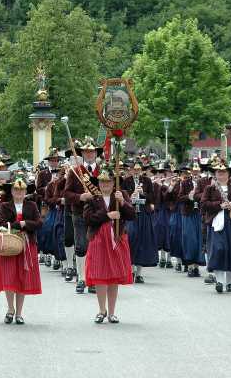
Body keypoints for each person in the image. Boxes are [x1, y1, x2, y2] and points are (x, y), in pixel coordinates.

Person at [84, 167, 135, 324]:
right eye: (102, 181)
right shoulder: (93, 198)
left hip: (117, 238)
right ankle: (101, 310)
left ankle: (112, 312)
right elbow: (88, 219)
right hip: (98, 239)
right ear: (99, 183)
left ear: (114, 183)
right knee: (100, 275)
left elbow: (131, 215)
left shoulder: (121, 195)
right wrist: (107, 216)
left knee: (114, 276)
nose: (105, 184)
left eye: (108, 181)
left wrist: (122, 203)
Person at [0, 177, 42, 325]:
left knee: (22, 278)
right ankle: (10, 309)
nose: (19, 192)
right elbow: (1, 223)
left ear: (25, 191)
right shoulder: (5, 205)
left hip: (28, 245)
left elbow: (39, 223)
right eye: (16, 190)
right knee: (9, 277)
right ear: (12, 191)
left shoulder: (32, 205)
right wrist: (16, 225)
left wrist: (25, 223)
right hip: (9, 245)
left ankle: (19, 313)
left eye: (21, 190)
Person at [201, 159, 231, 294]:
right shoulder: (210, 188)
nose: (220, 174)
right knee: (218, 251)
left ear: (228, 173)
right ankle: (220, 281)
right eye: (218, 172)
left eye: (223, 172)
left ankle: (229, 283)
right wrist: (219, 205)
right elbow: (204, 204)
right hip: (218, 224)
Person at [64, 137, 101, 294]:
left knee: (96, 246)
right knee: (81, 246)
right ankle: (81, 277)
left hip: (100, 214)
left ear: (96, 153)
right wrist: (80, 197)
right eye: (86, 151)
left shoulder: (104, 170)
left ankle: (93, 278)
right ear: (82, 153)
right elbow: (66, 193)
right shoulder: (75, 171)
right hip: (80, 212)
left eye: (92, 151)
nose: (89, 154)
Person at [121, 161, 158, 283]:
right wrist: (132, 195)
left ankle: (139, 273)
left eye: (138, 169)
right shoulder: (126, 181)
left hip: (144, 213)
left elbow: (153, 198)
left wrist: (143, 193)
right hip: (131, 213)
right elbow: (123, 196)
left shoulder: (147, 181)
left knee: (143, 240)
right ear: (131, 170)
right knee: (131, 239)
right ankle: (130, 270)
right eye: (134, 169)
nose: (136, 171)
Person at [177, 164, 205, 277]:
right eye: (193, 171)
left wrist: (198, 196)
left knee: (199, 239)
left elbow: (208, 196)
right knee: (189, 239)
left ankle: (196, 267)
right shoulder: (185, 183)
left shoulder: (204, 182)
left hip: (200, 213)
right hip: (188, 214)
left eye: (197, 171)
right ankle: (190, 265)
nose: (195, 173)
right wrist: (188, 197)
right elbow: (179, 198)